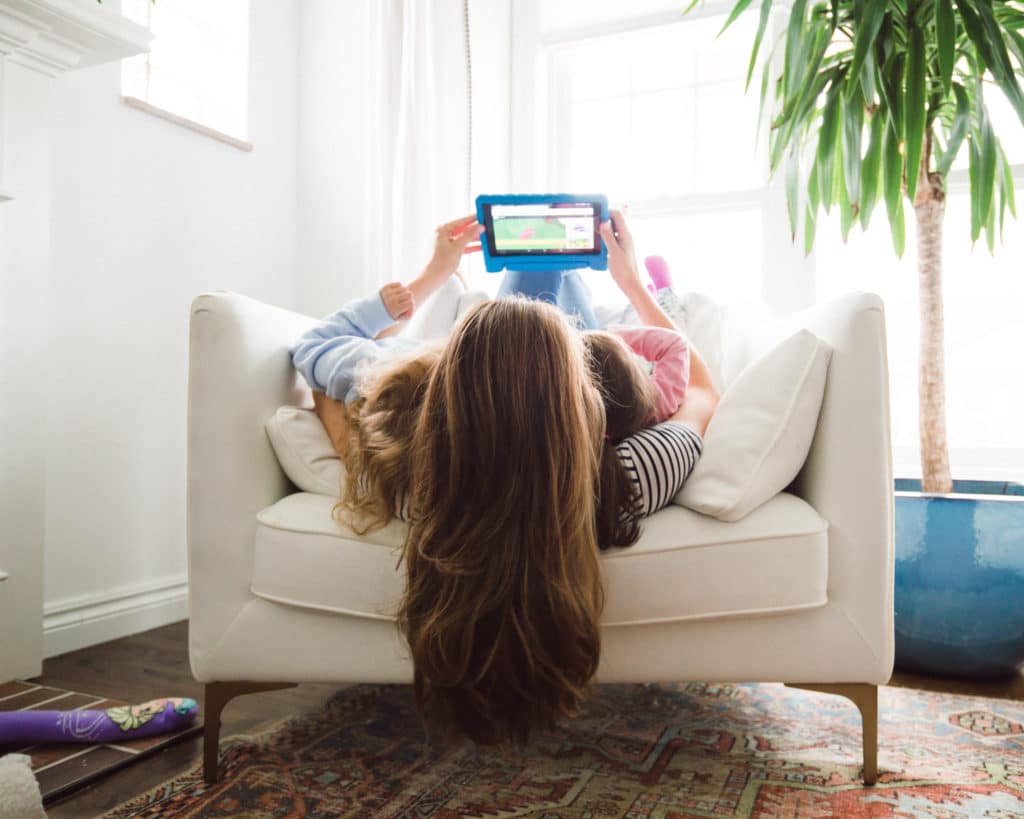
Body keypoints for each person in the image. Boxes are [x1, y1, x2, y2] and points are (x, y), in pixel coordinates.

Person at [290, 209, 719, 744]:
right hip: (581, 362)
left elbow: (315, 361)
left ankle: (547, 297)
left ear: (442, 391)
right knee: (549, 280)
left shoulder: (420, 479)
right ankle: (647, 289)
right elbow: (701, 387)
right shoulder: (627, 475)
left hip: (507, 365)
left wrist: (431, 277)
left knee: (532, 280)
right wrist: (630, 281)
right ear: (583, 398)